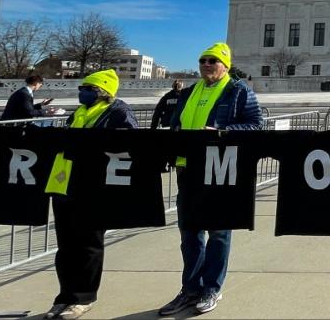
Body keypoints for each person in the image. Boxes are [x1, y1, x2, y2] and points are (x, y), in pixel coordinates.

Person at [158, 43, 263, 317]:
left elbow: (255, 126)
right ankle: (190, 288)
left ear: (225, 65)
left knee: (218, 232)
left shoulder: (238, 91)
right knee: (189, 233)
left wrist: (221, 132)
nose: (206, 64)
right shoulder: (190, 92)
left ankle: (211, 288)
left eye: (213, 60)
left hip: (219, 170)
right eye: (203, 60)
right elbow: (176, 126)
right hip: (187, 169)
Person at [42, 70, 137, 320]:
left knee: (88, 245)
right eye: (83, 86)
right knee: (66, 247)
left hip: (95, 186)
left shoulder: (119, 112)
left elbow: (130, 146)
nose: (82, 91)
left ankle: (83, 297)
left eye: (88, 87)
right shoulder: (80, 112)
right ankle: (64, 296)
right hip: (65, 185)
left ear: (102, 91)